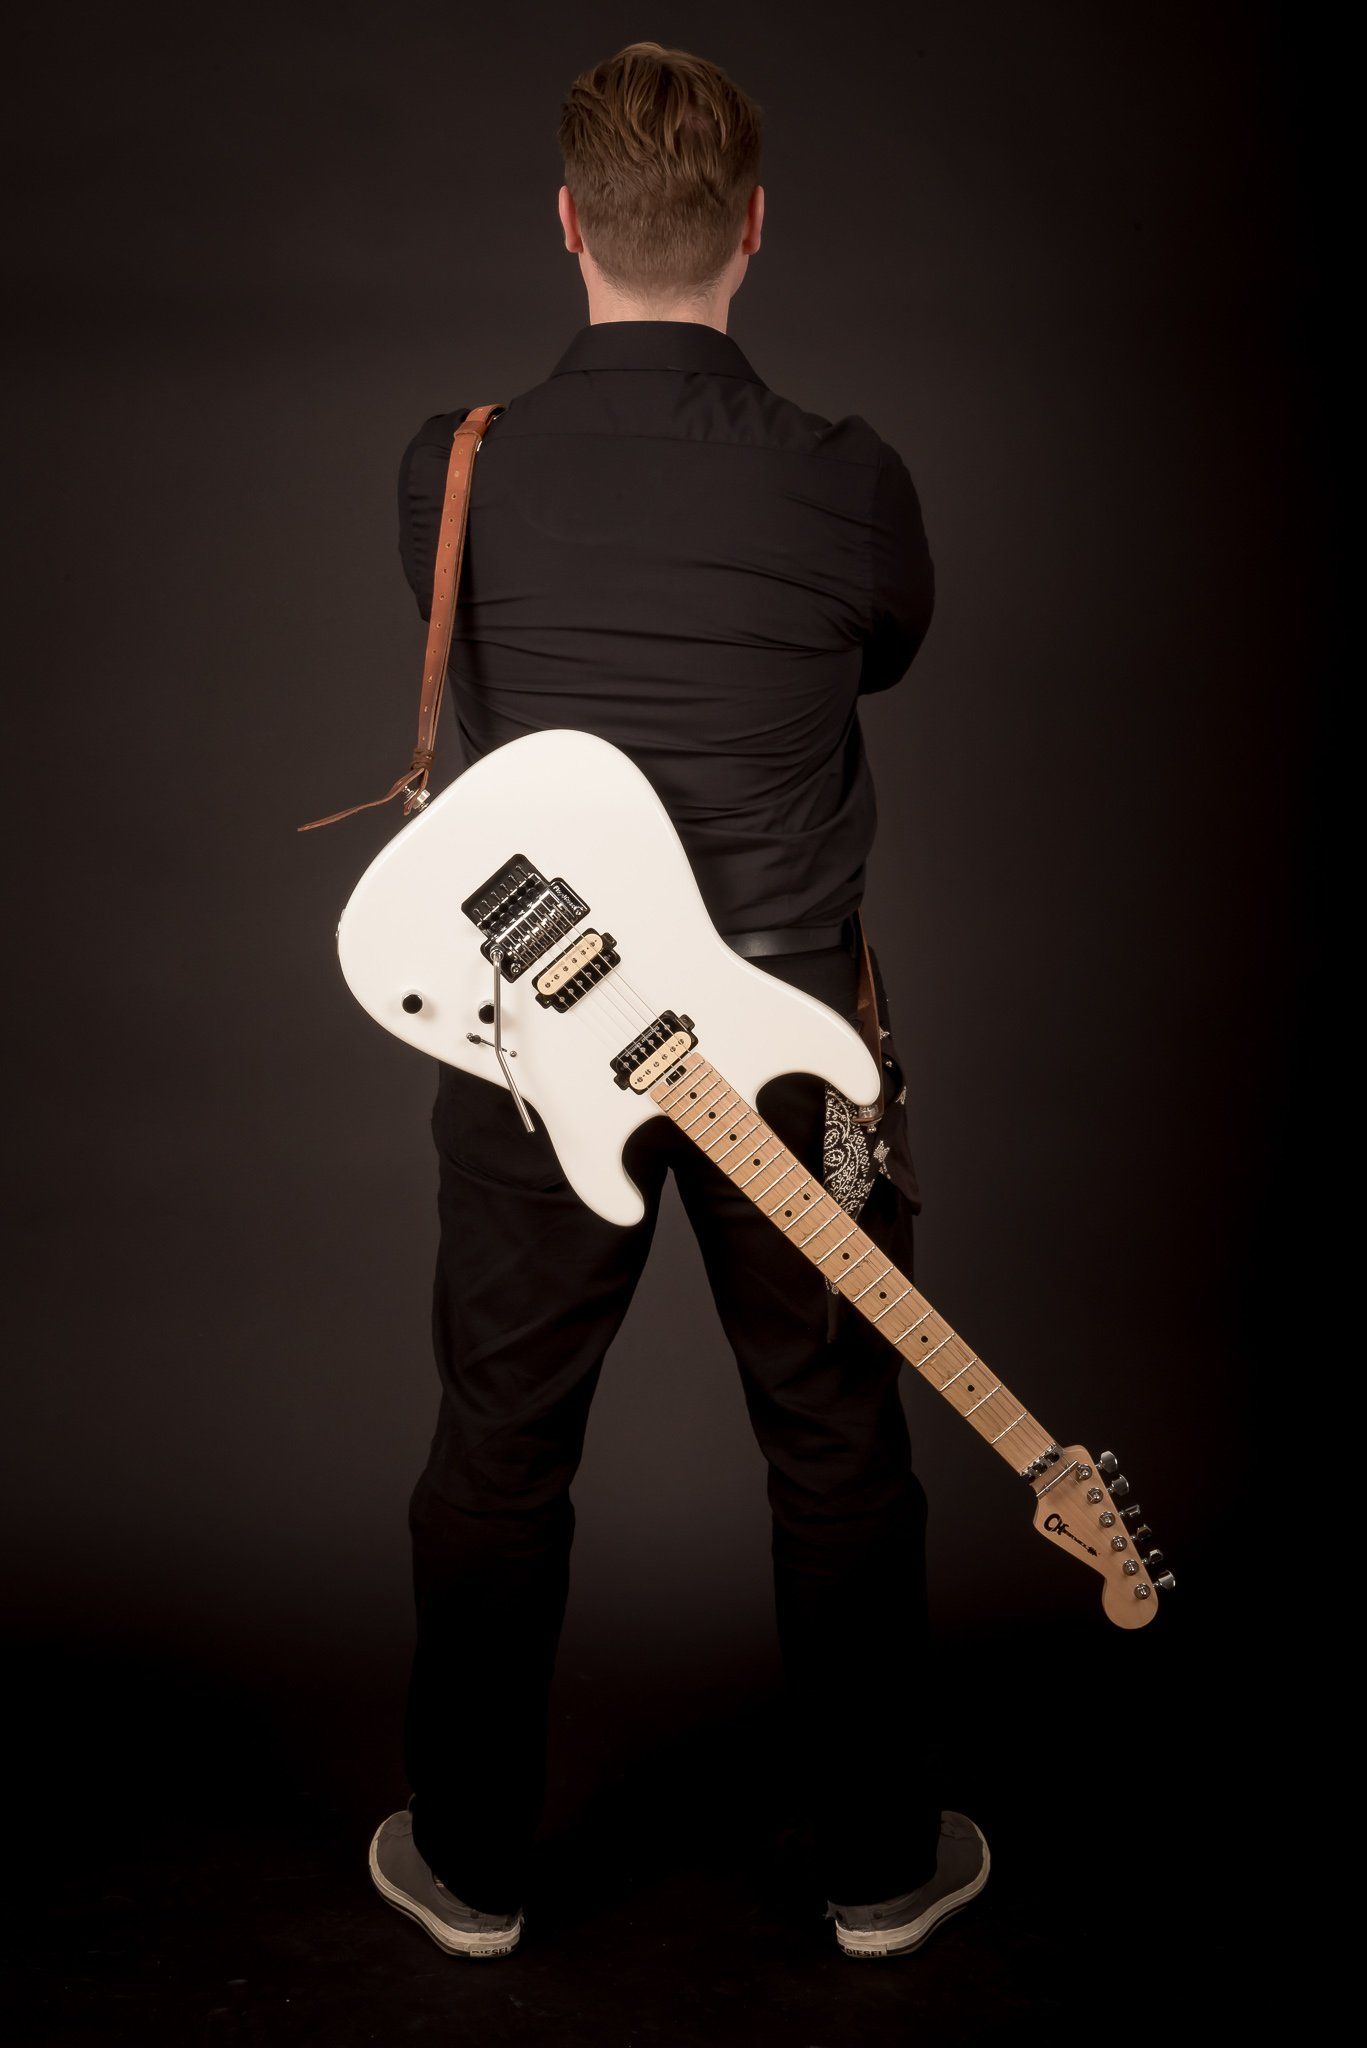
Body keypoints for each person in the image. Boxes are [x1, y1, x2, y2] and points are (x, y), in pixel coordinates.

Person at [367, 39, 989, 1962]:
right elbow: (883, 649)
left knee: (500, 1443)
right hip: (793, 1053)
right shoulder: (849, 479)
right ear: (754, 228)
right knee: (838, 1443)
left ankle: (471, 1867)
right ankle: (880, 1868)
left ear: (567, 224)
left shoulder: (458, 465)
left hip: (538, 1050)